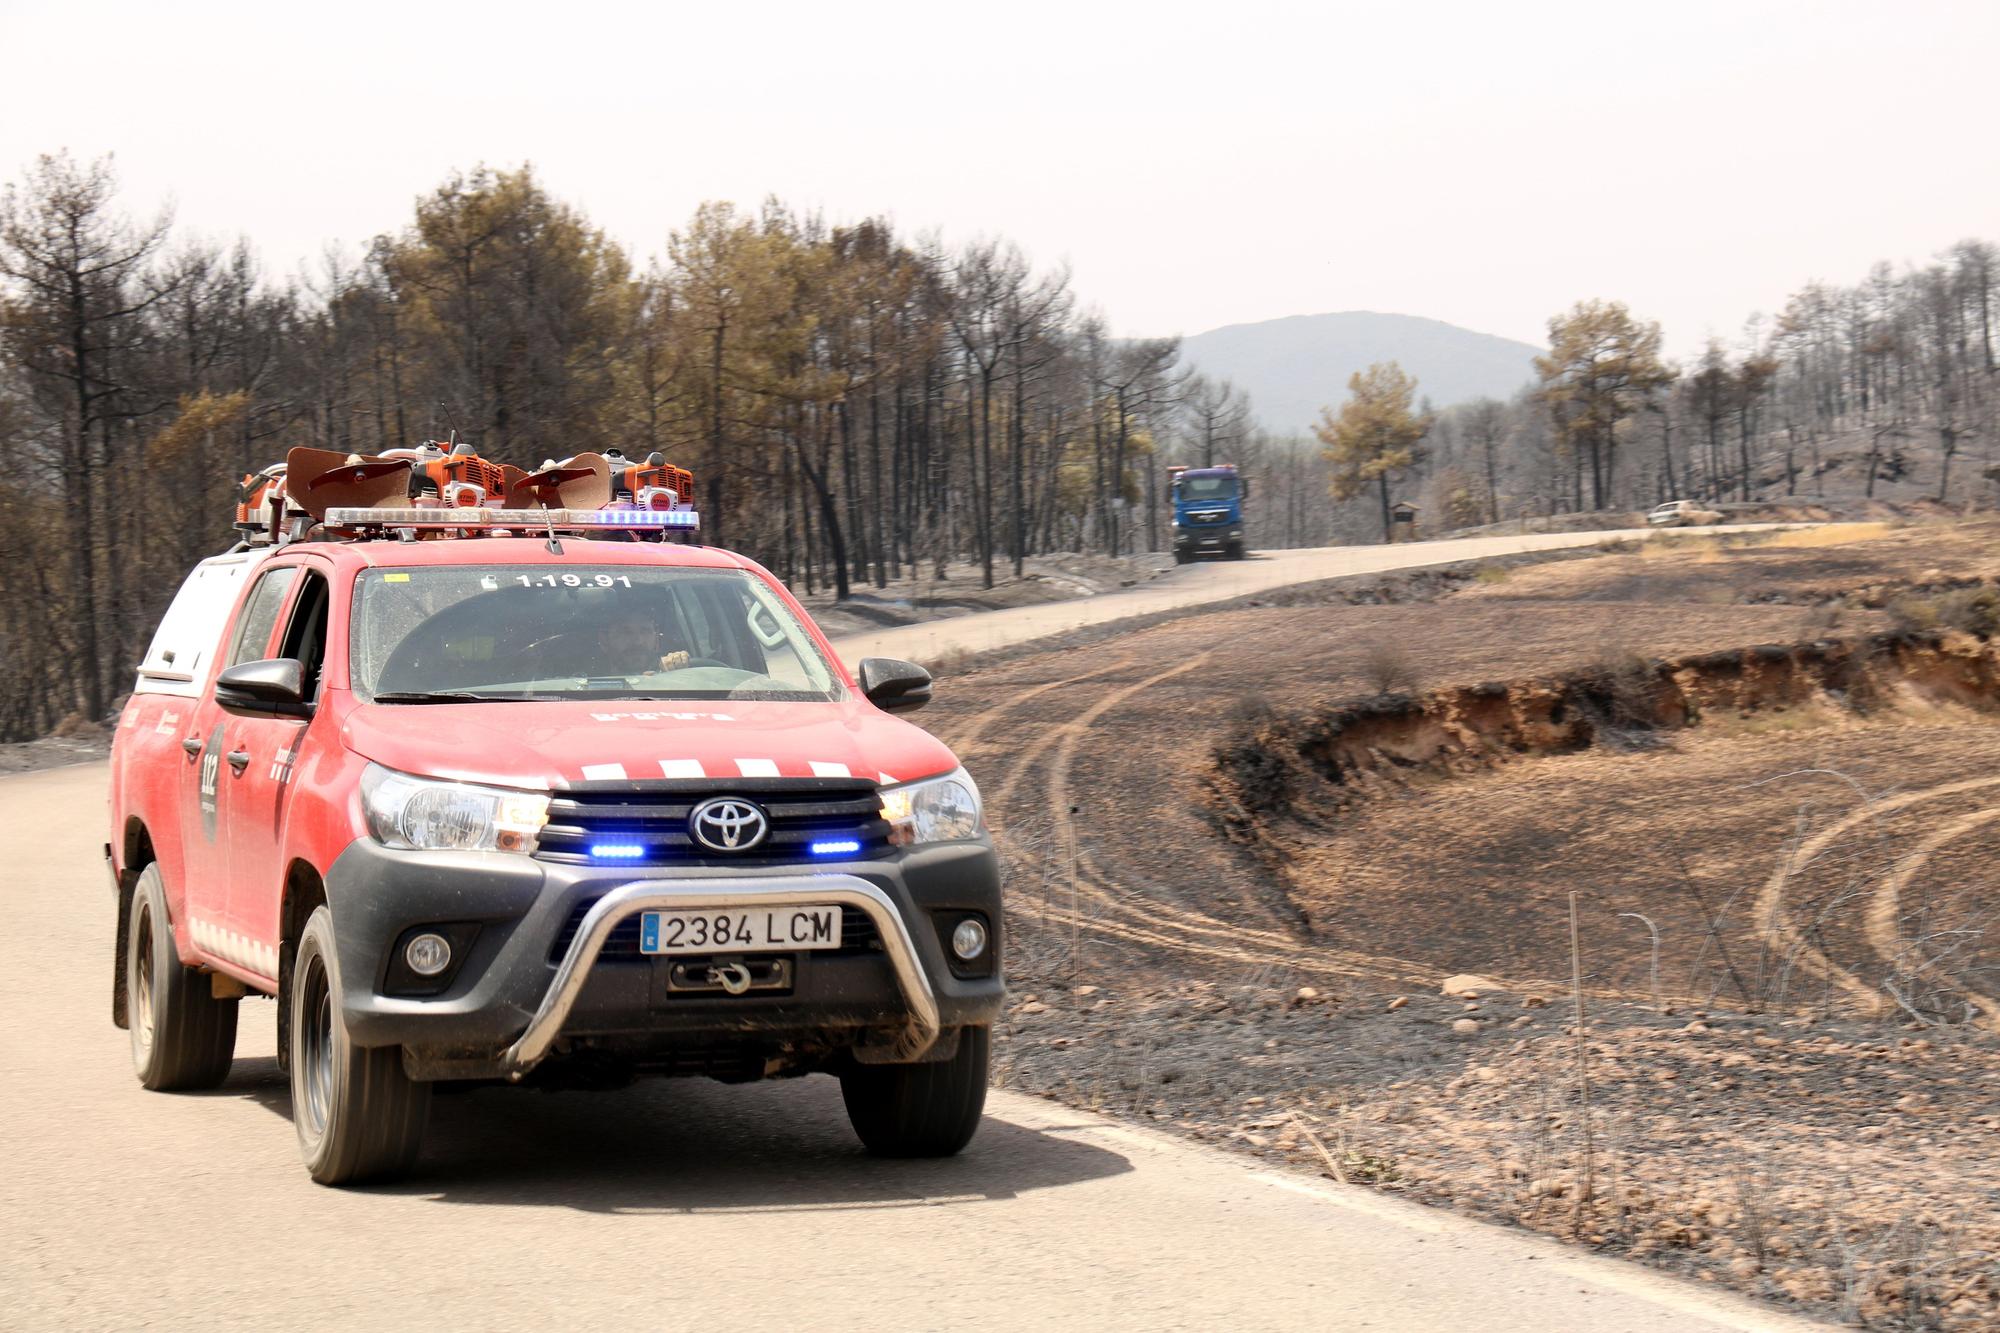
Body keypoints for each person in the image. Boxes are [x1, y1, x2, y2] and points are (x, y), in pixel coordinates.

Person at [593, 617, 689, 676]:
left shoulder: (675, 683)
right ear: (604, 641)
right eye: (626, 632)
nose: (638, 641)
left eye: (645, 631)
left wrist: (677, 670)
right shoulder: (583, 687)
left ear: (656, 639)